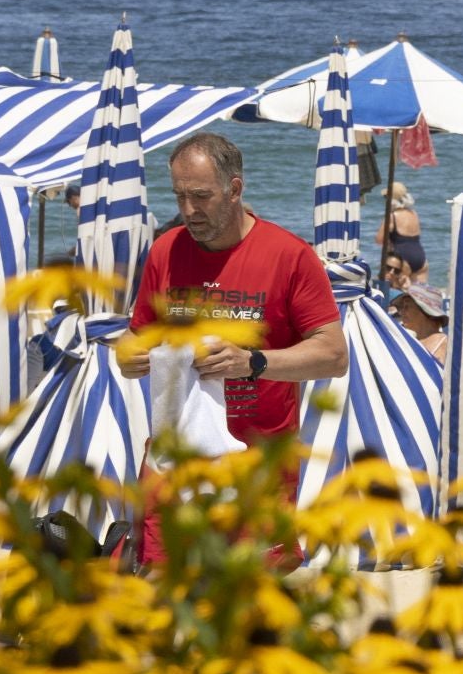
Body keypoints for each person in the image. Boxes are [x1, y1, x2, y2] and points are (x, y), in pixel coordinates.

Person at [117, 133, 348, 558]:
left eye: (201, 196)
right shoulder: (166, 250)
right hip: (175, 459)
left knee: (250, 600)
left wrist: (253, 361)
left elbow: (334, 355)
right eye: (180, 196)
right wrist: (129, 355)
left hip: (258, 466)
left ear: (235, 189)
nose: (188, 210)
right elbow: (137, 333)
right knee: (159, 585)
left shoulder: (289, 256)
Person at [375, 180, 428, 282]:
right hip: (421, 257)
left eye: (386, 198)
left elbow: (379, 240)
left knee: (397, 294)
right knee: (418, 295)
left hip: (401, 259)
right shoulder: (414, 214)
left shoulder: (391, 217)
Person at [391, 283, 449, 365]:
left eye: (407, 306)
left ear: (424, 310)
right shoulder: (405, 339)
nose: (401, 312)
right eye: (402, 307)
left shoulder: (444, 346)